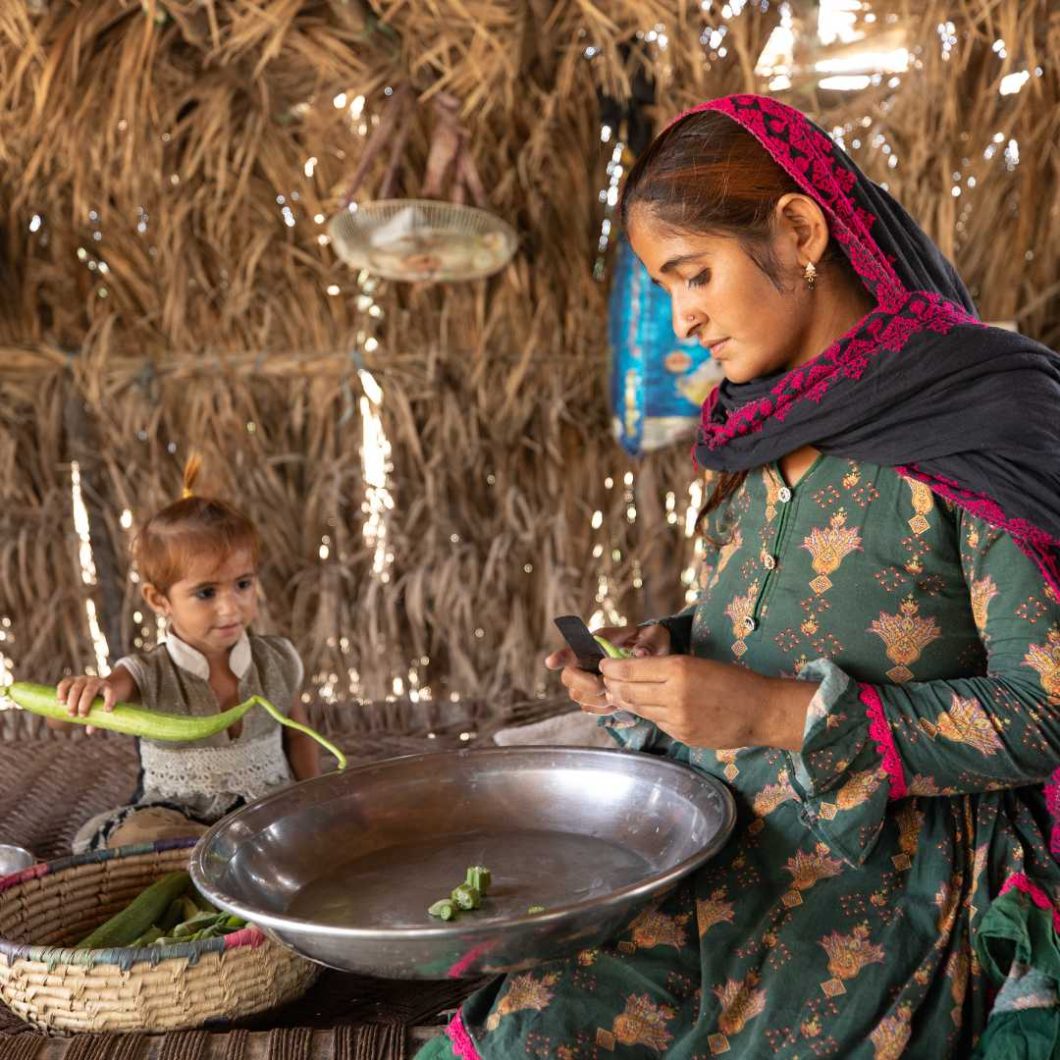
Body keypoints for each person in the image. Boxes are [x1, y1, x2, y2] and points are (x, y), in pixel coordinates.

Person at [419, 94, 1060, 1058]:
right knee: (535, 1028)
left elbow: (1044, 711)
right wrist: (668, 649)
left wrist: (770, 715)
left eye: (694, 275)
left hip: (887, 873)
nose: (682, 321)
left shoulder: (981, 415)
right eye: (668, 287)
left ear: (799, 231)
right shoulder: (758, 423)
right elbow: (801, 606)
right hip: (714, 841)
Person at [54, 457, 320, 853]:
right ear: (159, 599)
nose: (230, 608)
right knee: (137, 838)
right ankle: (220, 852)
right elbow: (71, 717)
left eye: (243, 584)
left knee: (314, 833)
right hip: (175, 817)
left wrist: (314, 799)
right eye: (206, 593)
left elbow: (298, 735)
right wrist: (85, 690)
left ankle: (231, 852)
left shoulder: (278, 660)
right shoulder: (145, 674)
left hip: (265, 808)